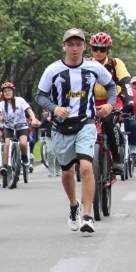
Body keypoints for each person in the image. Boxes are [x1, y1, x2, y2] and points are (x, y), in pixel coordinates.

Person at [35, 28, 116, 235]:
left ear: (84, 47)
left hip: (86, 123)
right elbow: (40, 96)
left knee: (87, 167)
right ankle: (74, 206)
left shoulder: (93, 67)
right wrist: (54, 108)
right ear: (64, 46)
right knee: (67, 172)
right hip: (61, 126)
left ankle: (87, 216)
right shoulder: (52, 70)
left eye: (78, 44)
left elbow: (111, 87)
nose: (74, 48)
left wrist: (110, 105)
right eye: (70, 44)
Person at [87, 32, 136, 175]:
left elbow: (126, 83)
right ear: (91, 49)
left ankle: (117, 159)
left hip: (112, 100)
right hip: (90, 101)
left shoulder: (115, 63)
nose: (98, 52)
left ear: (107, 50)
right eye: (95, 49)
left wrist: (129, 101)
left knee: (109, 121)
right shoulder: (84, 63)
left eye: (102, 49)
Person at [0, 81, 39, 177]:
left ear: (13, 92)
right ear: (3, 93)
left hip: (22, 126)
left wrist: (33, 119)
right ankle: (5, 166)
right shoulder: (1, 104)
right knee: (7, 144)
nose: (7, 93)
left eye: (9, 91)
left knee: (23, 143)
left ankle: (25, 158)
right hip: (9, 127)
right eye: (5, 91)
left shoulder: (20, 100)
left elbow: (29, 110)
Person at [39, 109, 61, 176]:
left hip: (58, 136)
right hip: (49, 137)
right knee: (50, 151)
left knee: (58, 153)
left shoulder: (60, 114)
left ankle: (57, 170)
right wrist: (46, 119)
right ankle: (51, 170)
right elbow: (41, 125)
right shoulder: (46, 115)